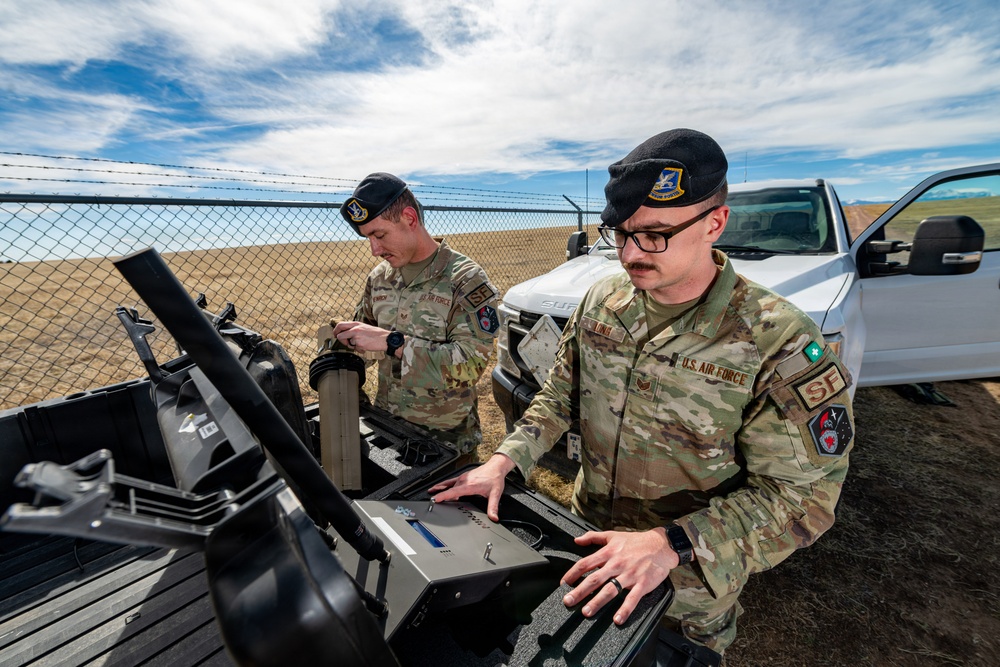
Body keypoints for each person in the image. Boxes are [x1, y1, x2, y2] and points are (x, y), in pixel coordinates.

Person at [429, 129, 854, 654]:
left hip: (685, 584)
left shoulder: (777, 338)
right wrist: (505, 460)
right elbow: (561, 397)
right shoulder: (603, 301)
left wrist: (669, 543)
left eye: (653, 234)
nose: (630, 254)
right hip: (584, 539)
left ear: (714, 224)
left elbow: (803, 497)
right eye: (621, 233)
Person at [332, 172, 500, 461]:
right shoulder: (379, 278)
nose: (374, 250)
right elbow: (361, 343)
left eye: (379, 235)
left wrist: (393, 342)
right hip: (388, 429)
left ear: (410, 218)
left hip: (446, 444)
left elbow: (471, 364)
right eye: (367, 238)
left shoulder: (465, 279)